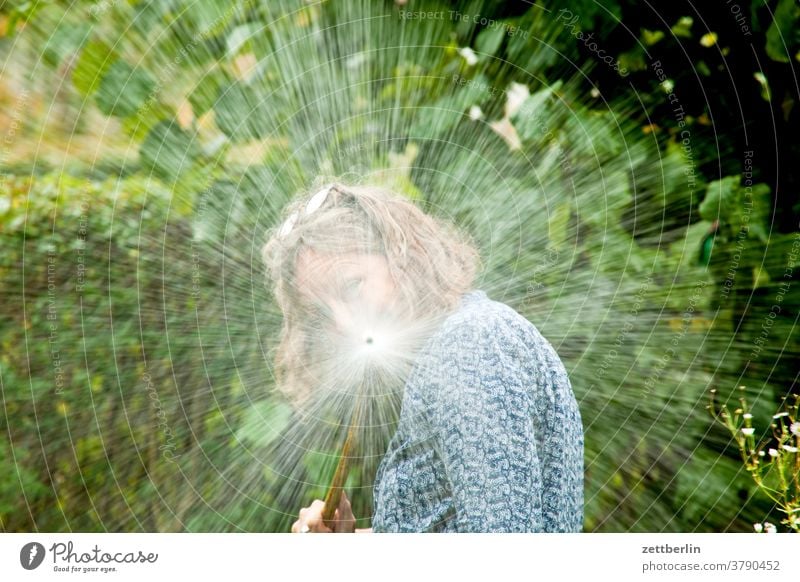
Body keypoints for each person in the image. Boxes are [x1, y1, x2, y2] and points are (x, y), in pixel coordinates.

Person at [261, 182, 584, 533]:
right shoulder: (452, 348)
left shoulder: (470, 346)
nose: (343, 323)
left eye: (352, 286)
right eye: (322, 314)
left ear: (402, 256)